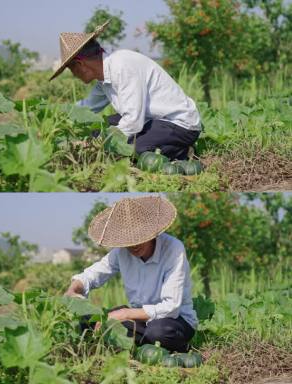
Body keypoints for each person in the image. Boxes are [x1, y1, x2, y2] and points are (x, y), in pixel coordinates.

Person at [50, 21, 202, 160]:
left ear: (80, 64)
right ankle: (164, 145)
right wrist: (56, 116)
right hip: (151, 119)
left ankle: (182, 151)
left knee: (131, 150)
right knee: (95, 129)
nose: (74, 75)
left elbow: (133, 122)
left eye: (71, 69)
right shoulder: (103, 79)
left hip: (179, 124)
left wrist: (98, 144)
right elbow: (86, 107)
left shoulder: (122, 66)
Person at [63, 196, 198, 353]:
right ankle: (141, 344)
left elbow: (171, 308)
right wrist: (74, 289)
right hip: (140, 319)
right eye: (128, 241)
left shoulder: (173, 249)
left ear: (151, 232)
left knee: (157, 332)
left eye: (139, 238)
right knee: (91, 320)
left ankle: (180, 348)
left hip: (175, 321)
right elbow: (92, 274)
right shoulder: (121, 253)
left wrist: (124, 313)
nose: (134, 245)